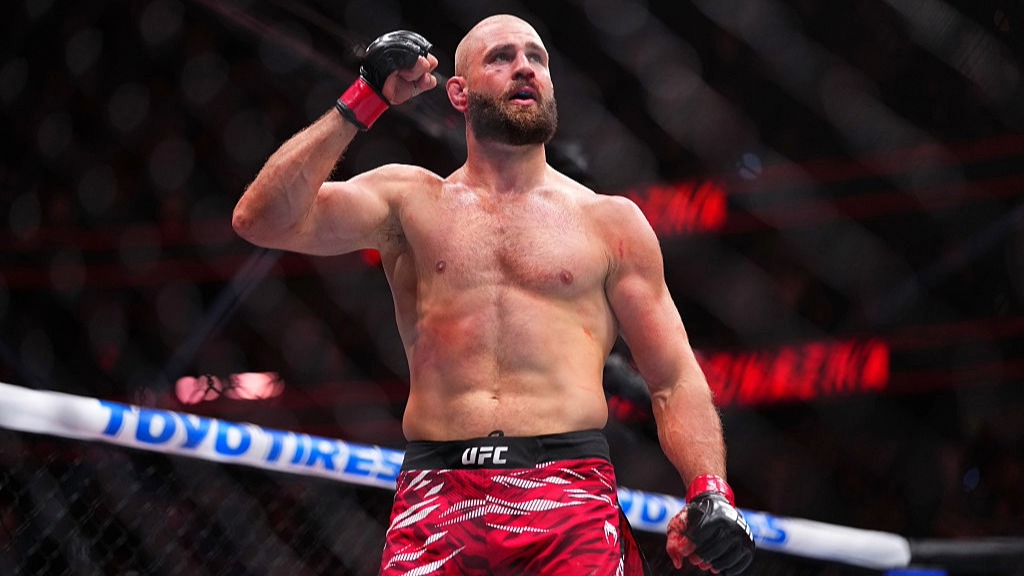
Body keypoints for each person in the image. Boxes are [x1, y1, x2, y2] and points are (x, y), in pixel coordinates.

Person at [233, 14, 754, 576]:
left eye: (537, 57)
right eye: (501, 57)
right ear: (457, 92)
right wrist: (362, 100)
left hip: (569, 497)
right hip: (437, 496)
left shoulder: (610, 222)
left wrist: (710, 490)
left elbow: (674, 377)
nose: (525, 67)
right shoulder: (408, 200)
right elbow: (260, 220)